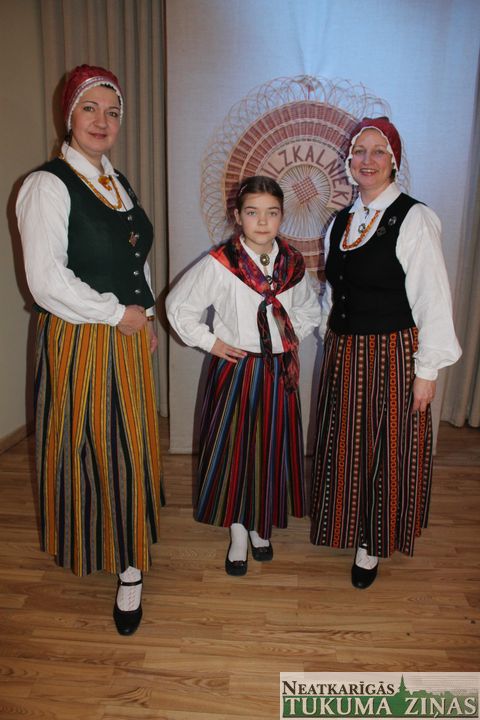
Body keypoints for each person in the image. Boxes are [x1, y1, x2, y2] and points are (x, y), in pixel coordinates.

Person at [16, 64, 163, 635]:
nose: (103, 121)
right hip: (80, 336)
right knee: (92, 445)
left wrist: (145, 314)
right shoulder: (47, 186)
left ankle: (130, 556)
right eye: (90, 109)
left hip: (125, 331)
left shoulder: (116, 181)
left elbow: (134, 257)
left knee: (131, 441)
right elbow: (46, 281)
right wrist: (116, 313)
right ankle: (113, 556)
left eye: (113, 112)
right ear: (69, 115)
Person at [310, 117, 461, 589]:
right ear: (349, 161)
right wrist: (325, 330)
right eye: (360, 151)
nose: (368, 160)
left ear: (393, 161)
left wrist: (427, 370)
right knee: (347, 443)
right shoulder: (341, 221)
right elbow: (335, 289)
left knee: (385, 448)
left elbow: (433, 298)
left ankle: (372, 542)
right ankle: (347, 521)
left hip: (392, 352)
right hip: (345, 350)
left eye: (379, 152)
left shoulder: (414, 218)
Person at [166, 176, 321, 575]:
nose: (263, 222)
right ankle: (237, 529)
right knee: (236, 450)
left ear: (282, 216)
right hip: (237, 369)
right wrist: (211, 342)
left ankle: (260, 526)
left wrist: (288, 337)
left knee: (271, 447)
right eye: (253, 212)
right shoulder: (222, 263)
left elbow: (309, 309)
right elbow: (178, 307)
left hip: (279, 370)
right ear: (237, 216)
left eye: (272, 213)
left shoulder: (292, 263)